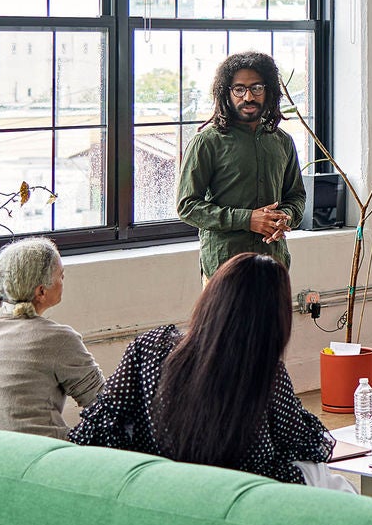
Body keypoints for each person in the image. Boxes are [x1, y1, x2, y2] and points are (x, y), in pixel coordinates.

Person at [70, 253, 338, 486]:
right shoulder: (266, 374)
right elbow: (301, 443)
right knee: (328, 481)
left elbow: (97, 429)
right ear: (274, 321)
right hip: (238, 504)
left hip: (155, 493)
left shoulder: (148, 348)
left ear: (212, 299)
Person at [174, 51, 308, 280]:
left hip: (273, 265)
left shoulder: (282, 141)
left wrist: (285, 217)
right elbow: (187, 206)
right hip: (224, 269)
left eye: (256, 88)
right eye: (239, 89)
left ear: (268, 91)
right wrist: (248, 220)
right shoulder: (207, 142)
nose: (248, 97)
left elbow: (296, 196)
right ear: (226, 93)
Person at [0, 238, 104, 440]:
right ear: (41, 292)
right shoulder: (59, 340)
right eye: (61, 276)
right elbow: (104, 403)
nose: (63, 281)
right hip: (43, 457)